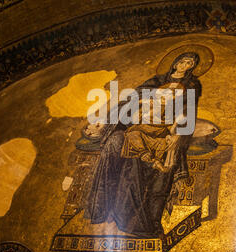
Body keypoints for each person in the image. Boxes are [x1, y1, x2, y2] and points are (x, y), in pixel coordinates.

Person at [84, 52, 202, 238]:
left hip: (163, 130)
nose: (185, 65)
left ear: (192, 67)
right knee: (117, 143)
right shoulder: (156, 81)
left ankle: (142, 221)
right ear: (175, 62)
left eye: (190, 63)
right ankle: (102, 208)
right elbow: (131, 100)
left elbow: (187, 113)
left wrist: (177, 133)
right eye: (183, 61)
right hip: (141, 127)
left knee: (145, 159)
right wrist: (111, 120)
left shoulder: (192, 85)